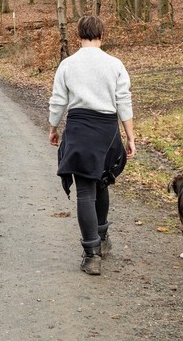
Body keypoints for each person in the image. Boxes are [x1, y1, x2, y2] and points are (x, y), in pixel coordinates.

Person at [48, 15, 136, 276]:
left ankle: (92, 255)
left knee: (85, 191)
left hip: (78, 128)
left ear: (78, 36)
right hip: (106, 130)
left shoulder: (67, 64)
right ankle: (102, 238)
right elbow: (124, 102)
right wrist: (130, 137)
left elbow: (58, 100)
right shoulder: (115, 64)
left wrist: (53, 128)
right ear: (102, 35)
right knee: (102, 181)